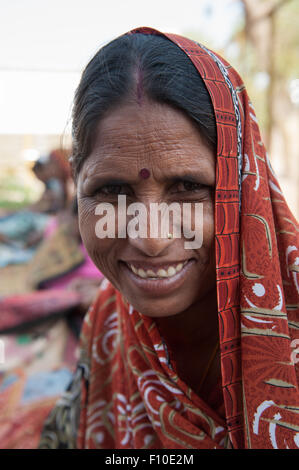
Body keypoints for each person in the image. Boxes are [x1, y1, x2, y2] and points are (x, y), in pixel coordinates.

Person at [39, 27, 299, 449]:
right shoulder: (108, 320)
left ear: (244, 189)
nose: (152, 239)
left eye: (187, 187)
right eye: (112, 192)